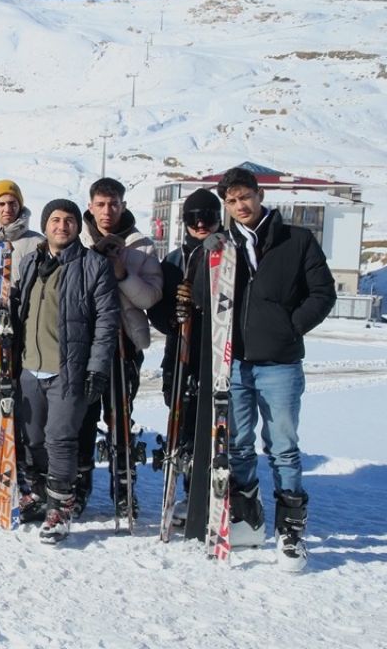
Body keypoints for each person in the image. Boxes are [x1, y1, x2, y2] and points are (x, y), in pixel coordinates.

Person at [193, 165, 335, 571]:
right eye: (232, 201)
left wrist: (291, 327)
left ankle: (290, 531)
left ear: (260, 195)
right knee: (237, 445)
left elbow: (323, 292)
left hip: (281, 363)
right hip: (234, 362)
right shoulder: (223, 245)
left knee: (283, 448)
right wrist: (208, 258)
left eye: (245, 197)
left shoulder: (297, 240)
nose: (240, 206)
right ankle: (246, 518)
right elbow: (205, 301)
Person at [15, 199, 120, 544]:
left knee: (61, 439)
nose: (62, 226)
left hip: (68, 369)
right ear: (45, 225)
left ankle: (60, 510)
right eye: (55, 219)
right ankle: (46, 496)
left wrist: (97, 369)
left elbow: (107, 323)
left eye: (69, 220)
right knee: (33, 441)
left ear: (78, 226)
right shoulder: (32, 262)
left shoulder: (93, 265)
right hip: (30, 366)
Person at [77, 177, 163, 517]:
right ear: (90, 206)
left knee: (120, 418)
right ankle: (79, 486)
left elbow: (151, 296)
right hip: (84, 341)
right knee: (82, 417)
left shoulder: (140, 245)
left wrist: (122, 273)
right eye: (100, 204)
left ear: (123, 205)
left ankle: (124, 488)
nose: (107, 210)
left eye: (113, 204)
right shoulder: (77, 238)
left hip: (124, 339)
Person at [147, 188, 221, 523]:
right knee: (183, 422)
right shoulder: (174, 262)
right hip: (181, 351)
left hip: (219, 351)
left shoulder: (229, 257)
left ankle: (209, 495)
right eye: (194, 218)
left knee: (216, 426)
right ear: (185, 221)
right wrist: (175, 315)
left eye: (208, 216)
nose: (202, 224)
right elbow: (158, 315)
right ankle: (188, 492)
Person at [0, 179, 44, 491]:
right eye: (1, 204)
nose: (7, 209)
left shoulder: (35, 242)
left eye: (12, 203)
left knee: (20, 403)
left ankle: (23, 465)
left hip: (23, 334)